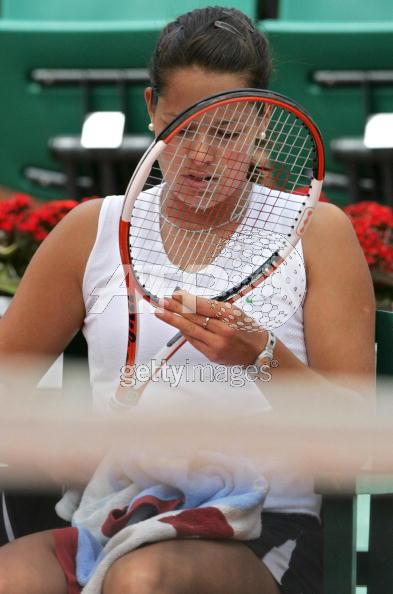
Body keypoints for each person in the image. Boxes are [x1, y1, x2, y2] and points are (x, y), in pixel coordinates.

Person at [0, 6, 375, 594]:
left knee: (141, 580)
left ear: (258, 124)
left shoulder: (317, 231)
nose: (201, 154)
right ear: (151, 111)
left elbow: (358, 435)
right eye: (183, 126)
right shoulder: (90, 230)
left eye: (224, 132)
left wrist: (260, 357)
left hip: (262, 530)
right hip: (119, 511)